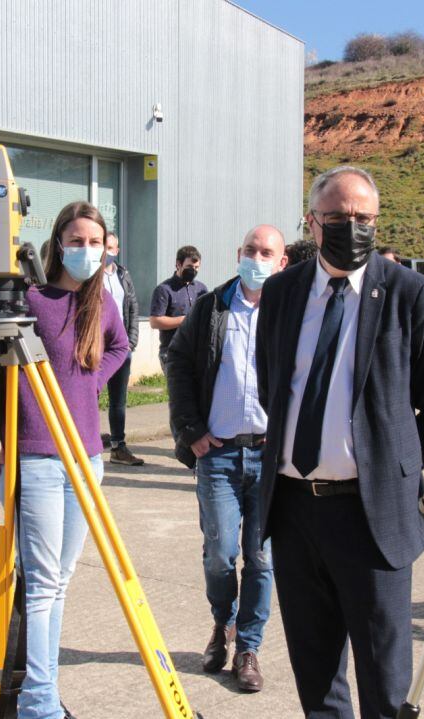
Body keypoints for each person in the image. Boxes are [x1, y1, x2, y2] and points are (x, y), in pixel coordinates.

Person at [256, 166, 424, 718]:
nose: (353, 227)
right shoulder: (280, 292)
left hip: (371, 518)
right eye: (339, 218)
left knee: (384, 681)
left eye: (363, 218)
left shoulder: (410, 294)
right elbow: (272, 383)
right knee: (316, 676)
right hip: (294, 512)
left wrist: (386, 467)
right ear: (312, 223)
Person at [16, 201, 128, 719]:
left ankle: (40, 689)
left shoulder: (100, 300)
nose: (88, 250)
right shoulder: (31, 298)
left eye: (96, 242)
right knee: (41, 585)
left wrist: (89, 383)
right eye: (78, 240)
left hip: (87, 456)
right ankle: (38, 703)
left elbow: (121, 346)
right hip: (38, 455)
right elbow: (3, 370)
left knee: (59, 582)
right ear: (59, 242)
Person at [166, 225, 288, 692]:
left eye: (267, 253)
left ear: (281, 263)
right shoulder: (212, 306)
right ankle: (223, 623)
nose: (256, 259)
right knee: (220, 555)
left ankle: (249, 648)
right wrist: (190, 429)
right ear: (239, 254)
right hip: (217, 454)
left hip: (268, 456)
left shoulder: (289, 313)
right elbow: (178, 362)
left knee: (260, 558)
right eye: (250, 250)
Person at [102, 232, 144, 466]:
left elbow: (133, 307)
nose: (106, 252)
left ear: (117, 250)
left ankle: (118, 447)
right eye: (103, 247)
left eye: (111, 248)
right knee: (91, 396)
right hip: (97, 348)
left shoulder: (122, 274)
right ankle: (82, 444)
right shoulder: (91, 275)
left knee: (118, 400)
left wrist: (132, 341)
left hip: (121, 348)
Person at [149, 245, 207, 372]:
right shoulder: (164, 289)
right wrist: (185, 320)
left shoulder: (201, 289)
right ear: (178, 264)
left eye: (197, 268)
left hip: (195, 351)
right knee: (178, 391)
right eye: (189, 267)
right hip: (172, 352)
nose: (193, 271)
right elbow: (155, 321)